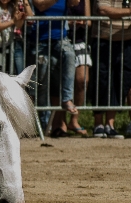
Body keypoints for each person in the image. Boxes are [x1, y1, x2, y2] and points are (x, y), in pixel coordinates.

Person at [29, 0, 78, 137]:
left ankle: (67, 98)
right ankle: (45, 125)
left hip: (60, 39)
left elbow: (75, 3)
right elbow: (40, 4)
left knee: (70, 55)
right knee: (42, 83)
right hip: (40, 41)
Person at [90, 0, 130, 139]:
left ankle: (110, 125)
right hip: (103, 39)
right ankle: (98, 124)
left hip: (126, 41)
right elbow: (103, 9)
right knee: (101, 80)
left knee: (121, 81)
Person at [67, 0, 91, 136]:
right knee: (61, 83)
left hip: (80, 42)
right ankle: (60, 123)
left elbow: (89, 22)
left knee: (83, 81)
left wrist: (81, 22)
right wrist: (69, 22)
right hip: (63, 40)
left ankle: (74, 120)